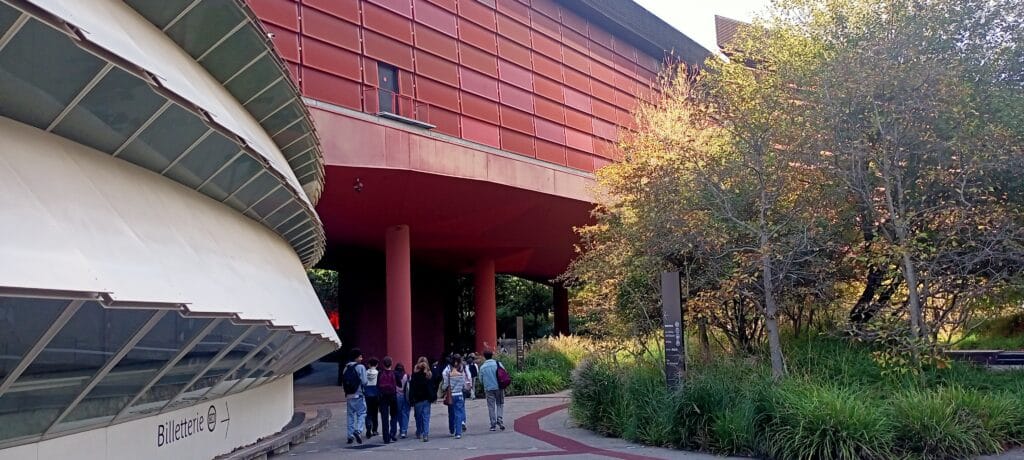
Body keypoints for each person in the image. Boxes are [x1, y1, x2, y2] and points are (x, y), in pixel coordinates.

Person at [342, 348, 368, 444]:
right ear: (356, 357)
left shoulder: (345, 368)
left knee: (350, 416)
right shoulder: (360, 367)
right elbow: (364, 382)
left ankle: (350, 435)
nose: (361, 358)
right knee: (361, 413)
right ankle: (358, 430)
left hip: (349, 395)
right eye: (360, 356)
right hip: (359, 394)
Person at [443, 355, 471, 439]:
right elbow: (464, 386)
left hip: (451, 395)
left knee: (451, 413)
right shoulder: (461, 375)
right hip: (459, 394)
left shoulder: (448, 374)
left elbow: (445, 386)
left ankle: (452, 428)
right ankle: (458, 433)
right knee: (459, 413)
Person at [478, 350, 506, 431]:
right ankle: (499, 419)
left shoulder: (483, 367)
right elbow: (504, 373)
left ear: (484, 356)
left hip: (489, 389)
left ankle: (493, 424)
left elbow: (480, 379)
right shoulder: (498, 364)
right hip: (499, 387)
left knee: (491, 406)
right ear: (492, 355)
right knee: (500, 404)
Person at [409, 357, 434, 442]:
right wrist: (433, 397)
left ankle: (419, 431)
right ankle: (425, 434)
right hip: (427, 398)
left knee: (418, 417)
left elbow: (412, 388)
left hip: (417, 399)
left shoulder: (415, 375)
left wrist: (411, 398)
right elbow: (431, 387)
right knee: (426, 417)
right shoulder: (428, 374)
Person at [377, 356, 399, 443]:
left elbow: (377, 385)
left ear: (383, 364)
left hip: (383, 397)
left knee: (384, 417)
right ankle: (392, 433)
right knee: (394, 415)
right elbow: (399, 384)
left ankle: (386, 438)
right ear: (391, 363)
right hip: (392, 396)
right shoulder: (395, 373)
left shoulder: (380, 373)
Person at [364, 357, 380, 438]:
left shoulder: (365, 373)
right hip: (376, 394)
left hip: (367, 394)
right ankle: (374, 430)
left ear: (368, 364)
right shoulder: (378, 373)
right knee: (375, 413)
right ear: (377, 364)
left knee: (368, 412)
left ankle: (368, 426)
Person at [393, 362, 410, 439]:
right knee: (405, 413)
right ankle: (404, 430)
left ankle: (401, 428)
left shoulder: (394, 376)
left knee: (399, 413)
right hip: (405, 395)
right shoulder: (407, 376)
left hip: (396, 396)